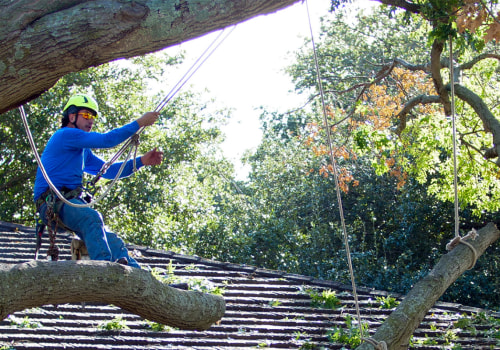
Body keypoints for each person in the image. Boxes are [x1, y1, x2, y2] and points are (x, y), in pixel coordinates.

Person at [34, 93, 163, 268]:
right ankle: (104, 270)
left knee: (113, 241)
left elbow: (108, 171)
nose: (91, 120)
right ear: (72, 117)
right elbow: (107, 140)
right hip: (53, 202)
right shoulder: (65, 135)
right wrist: (139, 122)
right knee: (92, 218)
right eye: (86, 115)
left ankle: (144, 282)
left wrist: (141, 161)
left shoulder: (82, 150)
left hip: (68, 203)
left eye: (93, 116)